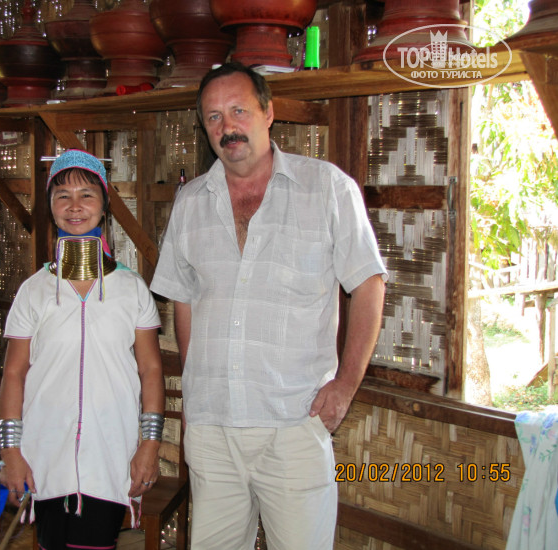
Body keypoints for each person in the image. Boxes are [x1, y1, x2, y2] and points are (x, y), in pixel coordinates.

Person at [150, 62, 388, 550]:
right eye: (214, 117)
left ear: (268, 113)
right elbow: (185, 301)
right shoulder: (190, 202)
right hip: (213, 429)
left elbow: (369, 284)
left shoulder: (327, 189)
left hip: (294, 424)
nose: (227, 126)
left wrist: (345, 385)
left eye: (239, 110)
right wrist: (195, 393)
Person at [0, 150, 165, 550]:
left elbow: (151, 371)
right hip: (44, 453)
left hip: (111, 452)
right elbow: (14, 373)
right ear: (50, 208)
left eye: (87, 195)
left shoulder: (131, 289)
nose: (75, 206)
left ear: (104, 207)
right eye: (63, 196)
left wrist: (150, 443)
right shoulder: (34, 291)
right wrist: (11, 452)